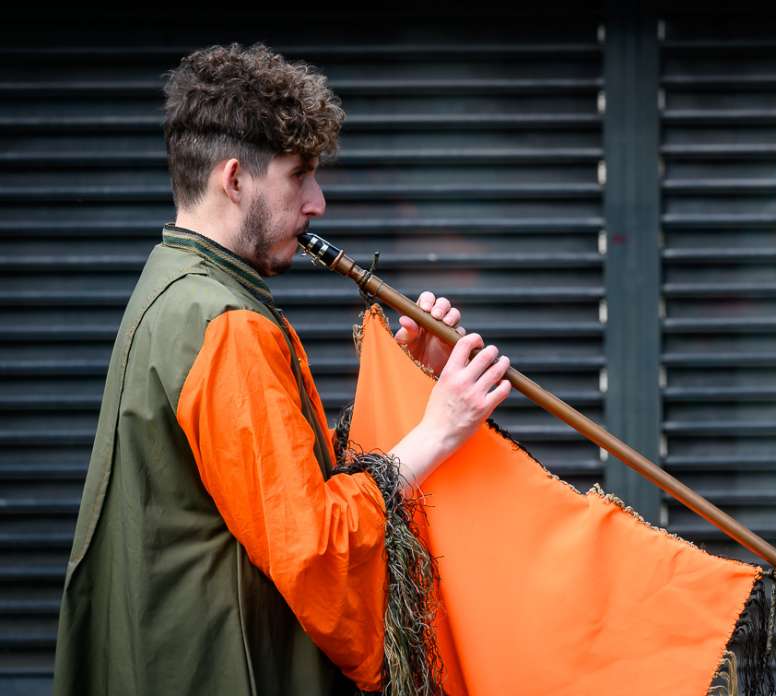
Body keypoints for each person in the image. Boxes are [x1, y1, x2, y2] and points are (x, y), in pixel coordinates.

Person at [52, 41, 511, 696]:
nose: (318, 203)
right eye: (300, 175)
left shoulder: (177, 285)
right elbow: (315, 545)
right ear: (234, 179)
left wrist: (410, 383)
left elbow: (278, 481)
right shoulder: (226, 324)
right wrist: (439, 432)